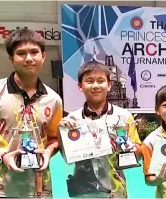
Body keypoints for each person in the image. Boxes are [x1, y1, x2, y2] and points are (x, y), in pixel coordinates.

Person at [0, 28, 63, 198]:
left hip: (40, 189)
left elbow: (54, 139)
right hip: (0, 188)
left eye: (34, 52)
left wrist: (48, 152)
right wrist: (3, 155)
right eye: (21, 53)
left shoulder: (54, 100)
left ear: (43, 56)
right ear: (12, 59)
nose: (29, 58)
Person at [59, 60, 142, 198]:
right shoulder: (72, 119)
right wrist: (60, 131)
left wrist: (132, 148)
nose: (96, 86)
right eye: (90, 81)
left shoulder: (124, 116)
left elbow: (138, 154)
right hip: (84, 191)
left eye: (101, 81)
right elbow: (66, 158)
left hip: (116, 190)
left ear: (109, 85)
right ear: (80, 86)